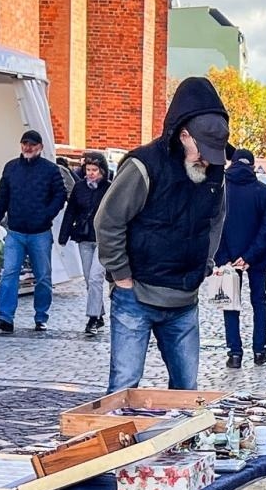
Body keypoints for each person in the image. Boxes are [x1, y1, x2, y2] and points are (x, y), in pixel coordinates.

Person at [95, 76, 229, 391]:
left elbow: (215, 220)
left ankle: (179, 441)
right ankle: (119, 440)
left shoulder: (215, 172)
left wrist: (205, 264)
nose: (208, 159)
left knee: (186, 391)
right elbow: (108, 221)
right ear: (184, 135)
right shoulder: (144, 165)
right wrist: (122, 275)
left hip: (184, 299)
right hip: (137, 295)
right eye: (203, 149)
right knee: (124, 389)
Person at [0, 130, 66, 333]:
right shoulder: (11, 167)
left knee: (43, 277)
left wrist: (46, 215)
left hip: (40, 232)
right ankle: (5, 317)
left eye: (31, 144)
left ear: (40, 147)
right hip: (15, 231)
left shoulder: (50, 170)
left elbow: (60, 194)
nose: (27, 148)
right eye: (24, 144)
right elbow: (2, 194)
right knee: (9, 274)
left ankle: (41, 316)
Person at [214, 147, 266, 368]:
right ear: (252, 166)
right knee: (259, 301)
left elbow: (214, 225)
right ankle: (260, 351)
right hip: (258, 258)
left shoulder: (220, 189)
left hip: (227, 257)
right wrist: (250, 255)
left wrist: (225, 256)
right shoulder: (263, 191)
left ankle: (234, 353)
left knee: (229, 304)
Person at [59, 152, 113, 335]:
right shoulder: (79, 188)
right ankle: (98, 315)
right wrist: (63, 235)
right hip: (83, 237)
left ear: (102, 171)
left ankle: (92, 318)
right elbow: (71, 211)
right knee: (90, 279)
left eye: (94, 170)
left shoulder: (109, 189)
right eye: (88, 169)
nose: (90, 173)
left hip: (102, 239)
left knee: (96, 277)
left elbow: (116, 214)